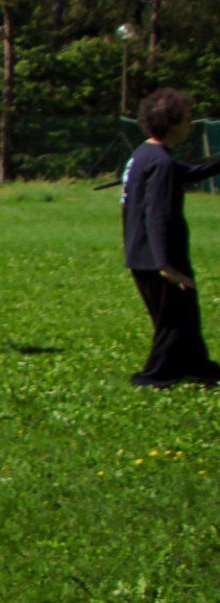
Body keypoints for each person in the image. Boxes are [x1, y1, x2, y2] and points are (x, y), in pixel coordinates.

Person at [122, 88, 220, 387]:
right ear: (172, 122)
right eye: (187, 119)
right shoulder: (161, 163)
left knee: (184, 317)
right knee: (173, 322)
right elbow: (157, 214)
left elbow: (189, 173)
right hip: (159, 258)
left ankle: (196, 367)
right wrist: (165, 265)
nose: (190, 125)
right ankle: (154, 376)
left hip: (142, 253)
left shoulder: (145, 154)